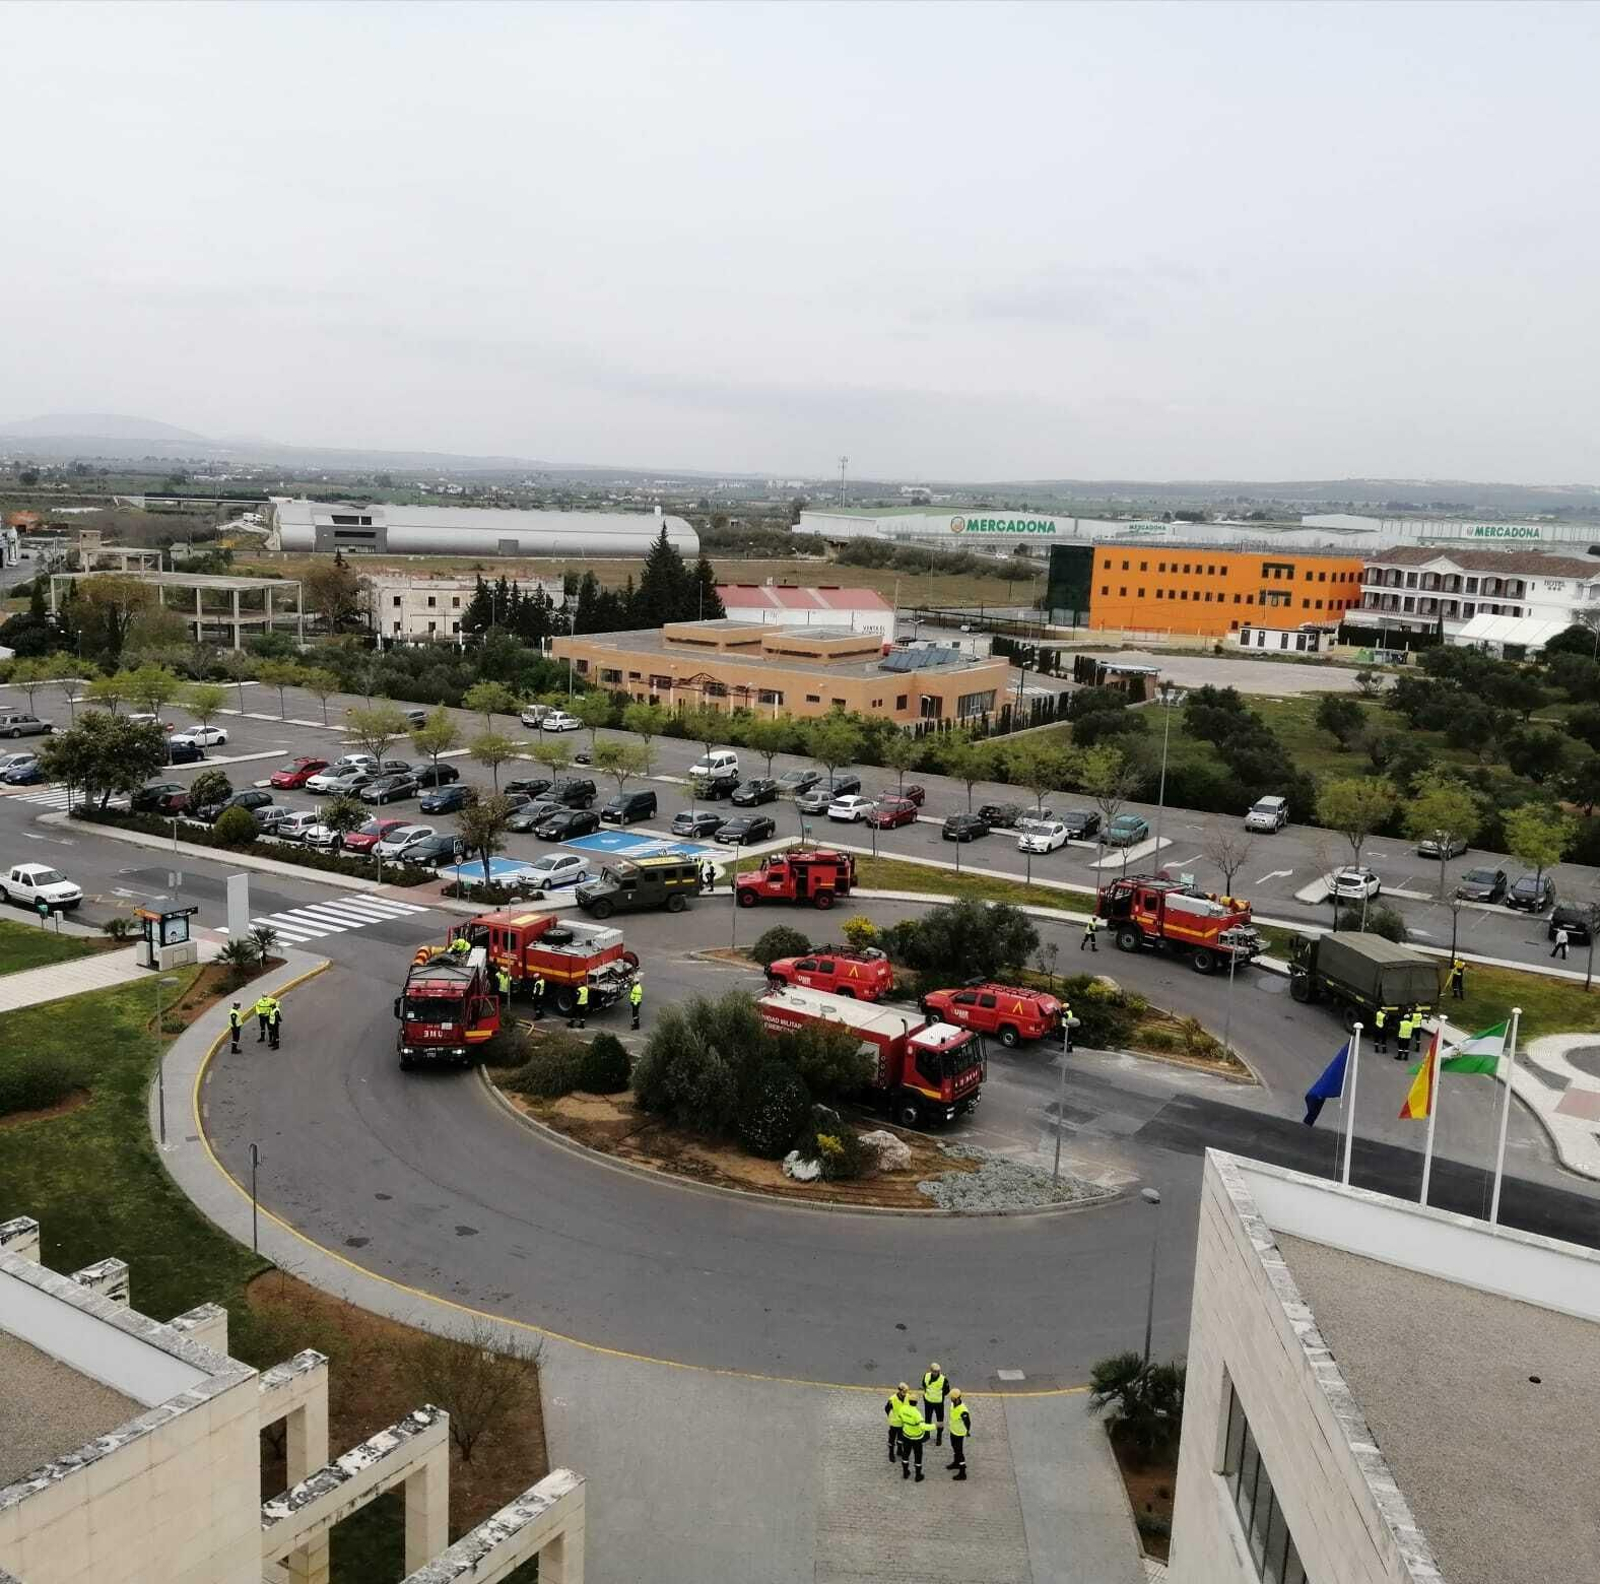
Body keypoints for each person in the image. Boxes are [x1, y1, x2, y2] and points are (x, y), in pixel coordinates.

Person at [897, 1393, 929, 1482]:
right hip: (917, 1439)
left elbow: (900, 1417)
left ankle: (905, 1472)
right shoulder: (916, 1413)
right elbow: (923, 1426)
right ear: (916, 1402)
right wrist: (935, 1426)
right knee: (918, 1457)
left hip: (906, 1436)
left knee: (905, 1455)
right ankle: (918, 1475)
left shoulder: (903, 1409)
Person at [921, 1363, 948, 1446]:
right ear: (931, 1371)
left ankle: (939, 1437)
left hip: (938, 1403)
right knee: (927, 1419)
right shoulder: (926, 1376)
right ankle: (926, 1435)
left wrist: (938, 1396)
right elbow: (924, 1385)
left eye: (938, 1371)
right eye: (935, 1371)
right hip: (928, 1402)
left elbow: (946, 1391)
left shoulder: (943, 1379)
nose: (937, 1373)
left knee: (940, 1421)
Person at [946, 1390, 971, 1479]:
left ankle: (962, 1472)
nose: (950, 1399)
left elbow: (967, 1422)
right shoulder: (953, 1404)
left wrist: (967, 1431)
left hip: (959, 1433)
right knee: (954, 1448)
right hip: (953, 1431)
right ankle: (956, 1463)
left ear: (956, 1398)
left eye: (952, 1397)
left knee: (959, 1452)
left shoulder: (963, 1410)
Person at [883, 1383, 910, 1462]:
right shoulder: (892, 1399)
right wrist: (890, 1416)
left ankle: (899, 1450)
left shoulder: (908, 1397)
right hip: (894, 1423)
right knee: (892, 1439)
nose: (905, 1394)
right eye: (904, 1392)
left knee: (901, 1438)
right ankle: (891, 1453)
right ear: (899, 1390)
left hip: (903, 1422)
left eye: (906, 1391)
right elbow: (887, 1409)